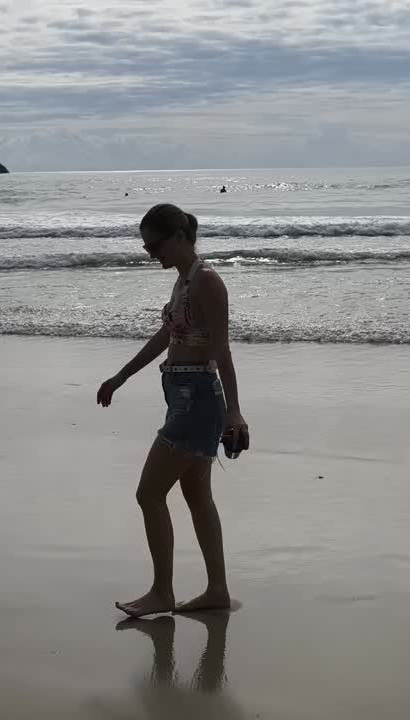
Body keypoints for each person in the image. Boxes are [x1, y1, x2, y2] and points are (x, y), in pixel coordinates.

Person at [98, 203, 249, 618]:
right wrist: (121, 376)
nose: (151, 254)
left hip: (198, 401)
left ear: (180, 236)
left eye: (155, 245)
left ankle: (162, 592)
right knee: (198, 497)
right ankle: (216, 590)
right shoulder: (184, 281)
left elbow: (221, 350)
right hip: (183, 397)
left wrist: (234, 411)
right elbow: (167, 335)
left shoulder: (208, 282)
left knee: (148, 494)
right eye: (147, 248)